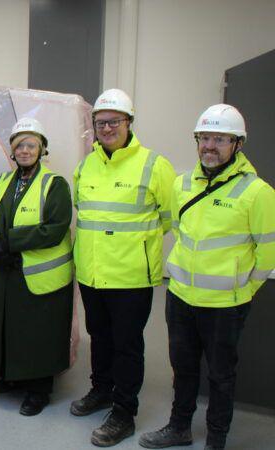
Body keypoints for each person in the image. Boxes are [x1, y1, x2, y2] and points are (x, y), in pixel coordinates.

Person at [139, 105, 275, 450]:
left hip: (226, 305)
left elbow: (268, 250)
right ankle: (179, 427)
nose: (209, 146)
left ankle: (216, 438)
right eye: (204, 138)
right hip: (181, 298)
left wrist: (244, 288)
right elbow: (176, 228)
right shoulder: (181, 183)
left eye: (219, 139)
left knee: (220, 375)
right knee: (182, 369)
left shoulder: (258, 193)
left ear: (237, 144)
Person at [71, 88, 176, 446]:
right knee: (98, 338)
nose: (106, 128)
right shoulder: (86, 165)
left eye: (114, 121)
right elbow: (82, 211)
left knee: (127, 345)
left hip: (131, 276)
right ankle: (100, 390)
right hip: (92, 273)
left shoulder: (153, 164)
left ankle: (124, 412)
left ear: (129, 122)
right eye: (100, 123)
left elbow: (167, 217)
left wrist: (133, 248)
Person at [0, 117, 73, 416]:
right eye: (20, 146)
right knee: (7, 325)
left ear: (42, 149)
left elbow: (56, 227)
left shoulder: (54, 184)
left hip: (37, 274)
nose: (25, 151)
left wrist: (12, 242)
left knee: (37, 331)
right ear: (13, 151)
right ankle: (11, 376)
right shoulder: (4, 182)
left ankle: (38, 390)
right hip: (4, 271)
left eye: (31, 145)